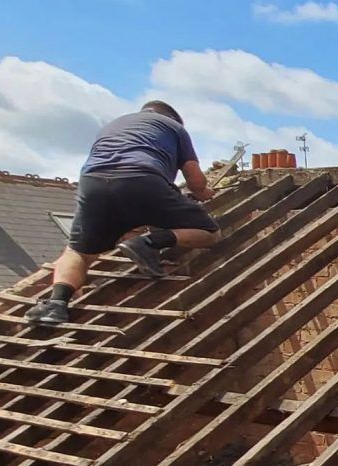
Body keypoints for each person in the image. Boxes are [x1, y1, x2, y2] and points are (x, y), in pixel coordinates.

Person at [26, 100, 222, 325]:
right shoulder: (175, 128)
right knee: (209, 232)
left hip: (93, 183)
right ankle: (149, 243)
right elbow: (195, 181)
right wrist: (205, 192)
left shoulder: (113, 125)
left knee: (78, 252)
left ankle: (56, 305)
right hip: (142, 178)